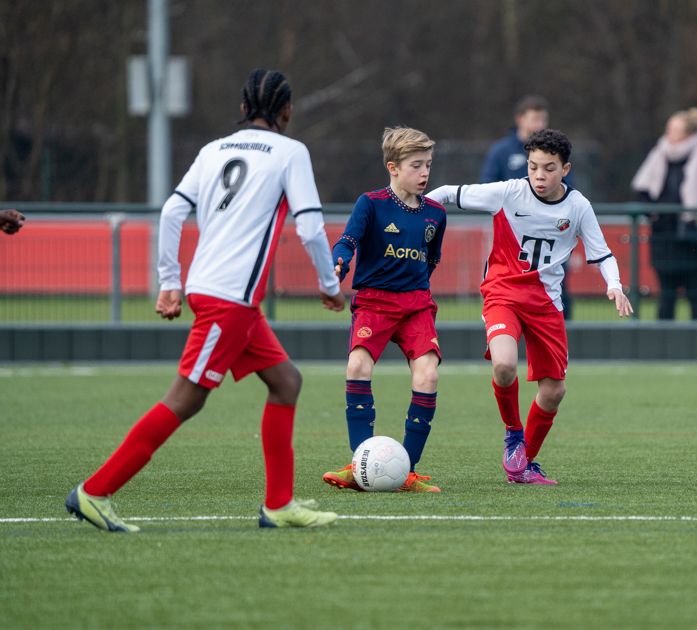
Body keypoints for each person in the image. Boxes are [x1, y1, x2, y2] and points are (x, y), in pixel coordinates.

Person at [65, 68, 346, 532]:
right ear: (287, 112)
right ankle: (95, 491)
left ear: (241, 110)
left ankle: (278, 504)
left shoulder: (213, 149)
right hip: (229, 299)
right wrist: (329, 286)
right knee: (185, 400)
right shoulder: (291, 152)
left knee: (286, 383)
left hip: (213, 290)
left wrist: (169, 280)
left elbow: (174, 209)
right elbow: (312, 227)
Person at [428, 129, 632, 485]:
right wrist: (416, 215)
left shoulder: (578, 206)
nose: (539, 175)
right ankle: (513, 435)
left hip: (546, 305)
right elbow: (447, 194)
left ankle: (524, 464)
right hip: (502, 294)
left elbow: (602, 254)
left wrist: (614, 285)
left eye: (549, 168)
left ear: (565, 169)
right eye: (534, 167)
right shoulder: (509, 192)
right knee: (505, 364)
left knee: (554, 391)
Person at [321, 127, 446, 493]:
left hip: (416, 305)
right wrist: (339, 263)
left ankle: (406, 471)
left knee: (428, 377)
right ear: (393, 167)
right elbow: (347, 241)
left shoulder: (435, 214)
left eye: (428, 165)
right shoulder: (371, 203)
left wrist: (414, 285)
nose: (425, 173)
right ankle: (359, 464)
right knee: (358, 365)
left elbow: (431, 259)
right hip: (374, 302)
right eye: (416, 166)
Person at [481, 95, 575, 319]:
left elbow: (569, 189)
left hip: (550, 230)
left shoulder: (555, 151)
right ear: (519, 119)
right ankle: (506, 326)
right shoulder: (501, 151)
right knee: (508, 281)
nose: (539, 124)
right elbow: (486, 187)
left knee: (558, 279)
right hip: (512, 233)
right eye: (534, 118)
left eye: (543, 119)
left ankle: (562, 329)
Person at [630, 108, 697, 321]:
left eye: (676, 130)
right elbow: (643, 193)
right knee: (666, 296)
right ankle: (663, 348)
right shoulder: (658, 155)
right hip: (663, 238)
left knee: (695, 295)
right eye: (669, 129)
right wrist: (654, 213)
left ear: (689, 134)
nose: (670, 135)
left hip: (692, 239)